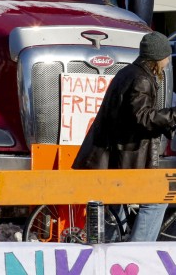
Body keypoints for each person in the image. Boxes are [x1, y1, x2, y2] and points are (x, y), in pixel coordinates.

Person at [74, 31, 176, 241]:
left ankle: (112, 254)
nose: (167, 62)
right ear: (158, 56)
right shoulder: (141, 79)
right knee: (158, 198)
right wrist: (173, 115)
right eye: (166, 56)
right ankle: (136, 252)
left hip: (110, 157)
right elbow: (142, 118)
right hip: (122, 159)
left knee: (115, 209)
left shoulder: (129, 72)